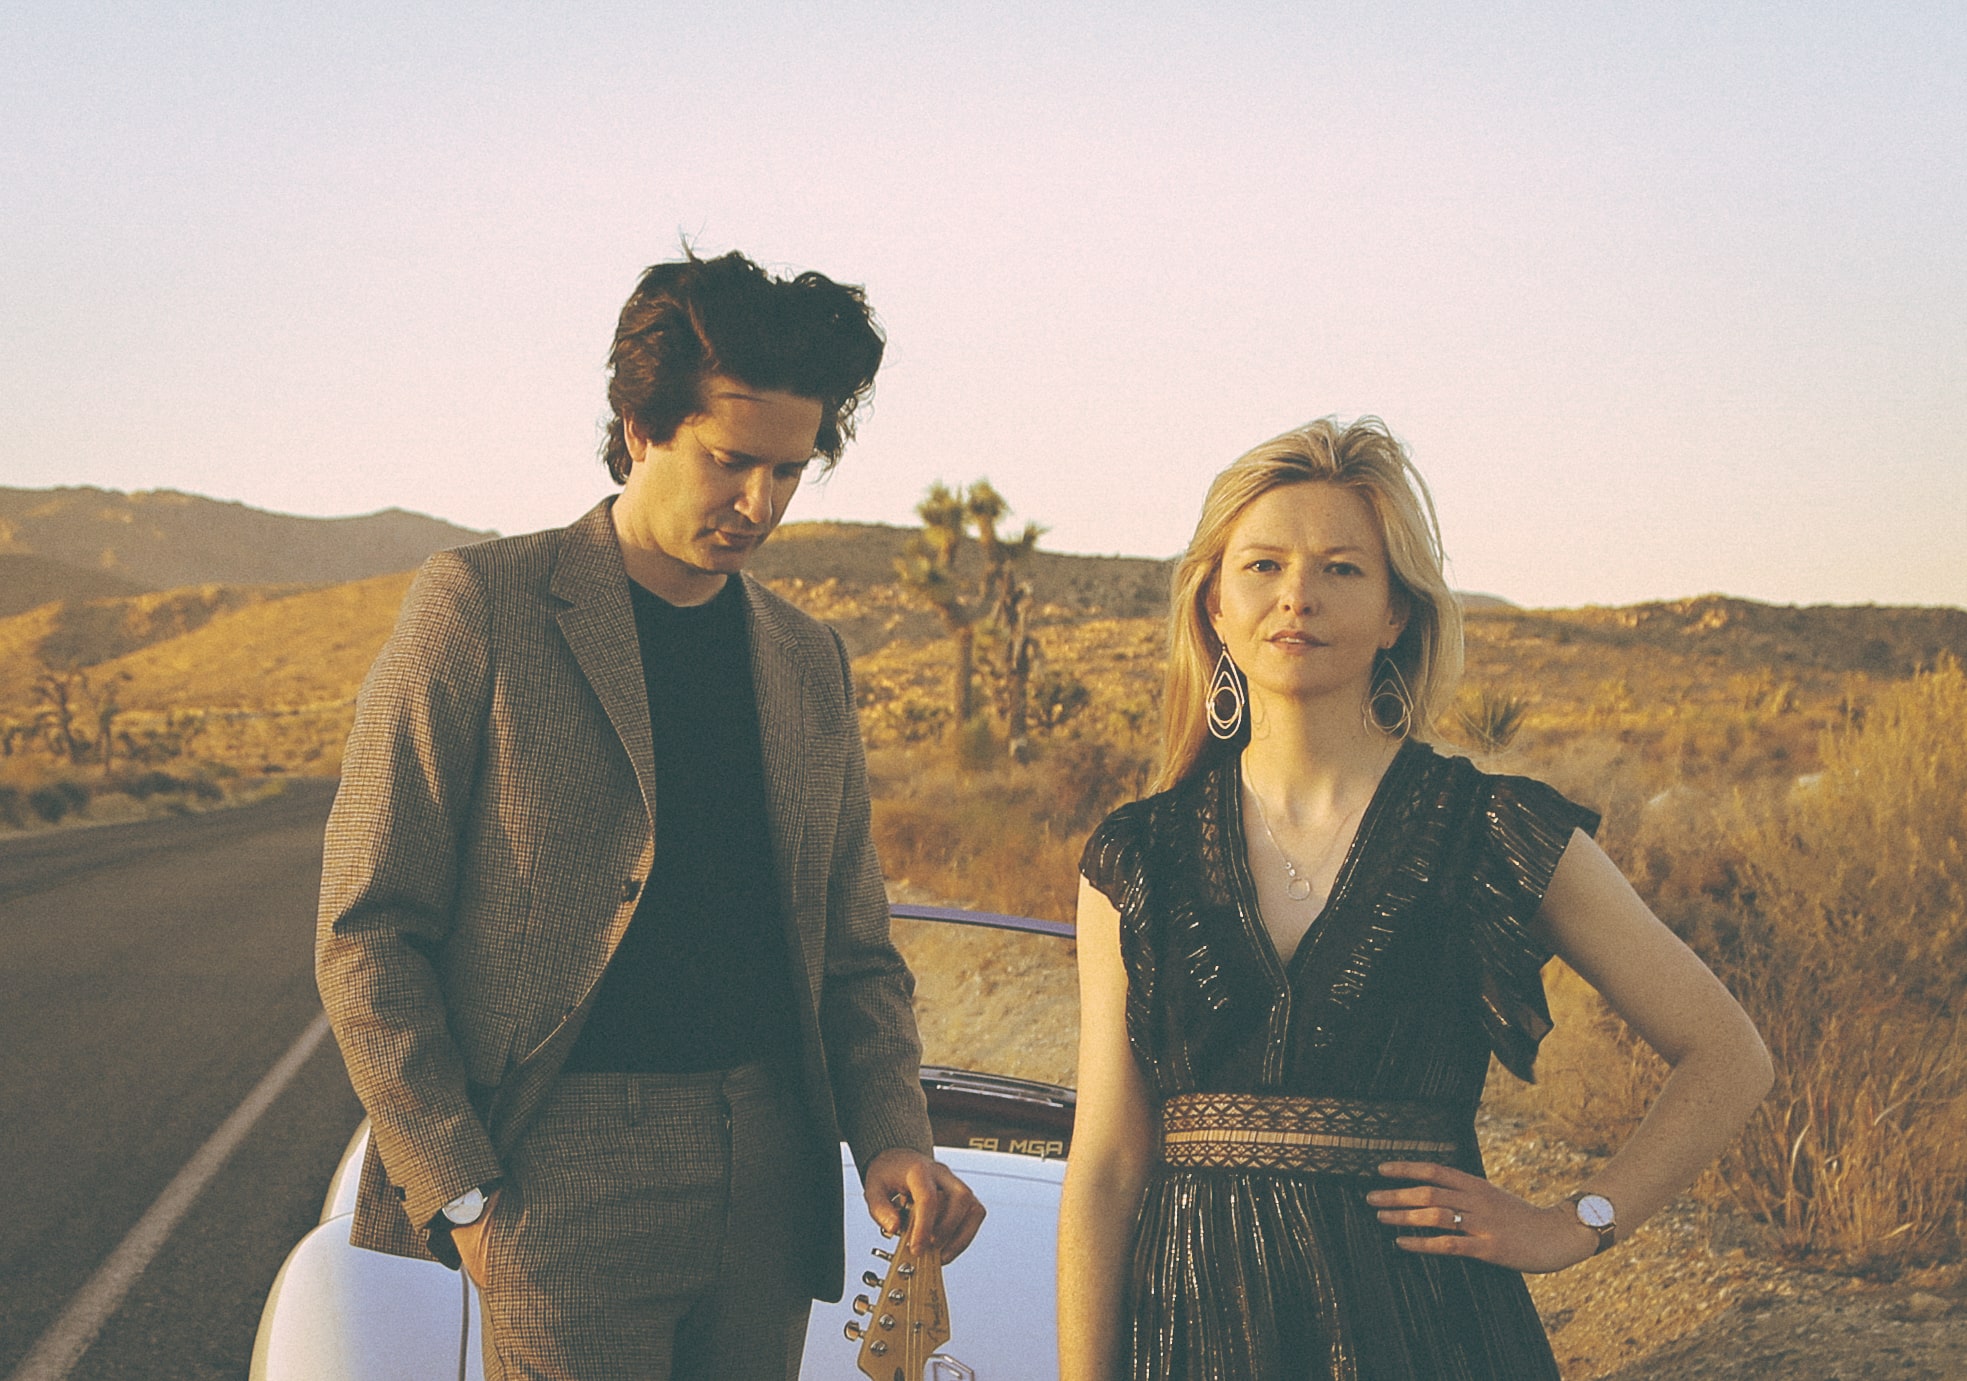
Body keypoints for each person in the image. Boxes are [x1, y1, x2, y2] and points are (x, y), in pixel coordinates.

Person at [317, 248, 983, 1381]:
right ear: (639, 429)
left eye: (789, 469)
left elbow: (854, 949)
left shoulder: (806, 658)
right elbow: (367, 927)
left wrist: (892, 1135)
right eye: (731, 461)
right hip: (558, 1168)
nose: (760, 503)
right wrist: (461, 1189)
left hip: (771, 1170)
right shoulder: (481, 606)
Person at [1056, 417, 1772, 1380]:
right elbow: (1106, 1168)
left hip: (1429, 1329)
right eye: (1263, 565)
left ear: (1396, 611)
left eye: (1341, 568)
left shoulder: (1491, 826)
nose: (1297, 594)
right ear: (1214, 605)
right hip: (1197, 1331)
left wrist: (1575, 1222)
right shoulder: (1135, 854)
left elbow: (1727, 1053)